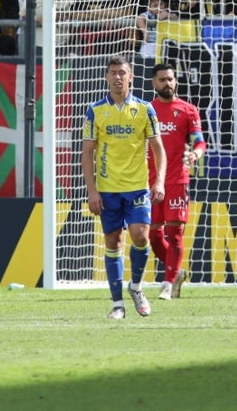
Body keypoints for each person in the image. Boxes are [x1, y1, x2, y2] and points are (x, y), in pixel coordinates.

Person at [82, 55, 165, 320]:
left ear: (131, 77)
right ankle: (117, 304)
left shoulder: (144, 110)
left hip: (138, 187)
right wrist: (92, 191)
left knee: (141, 236)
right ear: (107, 77)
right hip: (108, 189)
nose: (118, 77)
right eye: (113, 73)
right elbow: (87, 153)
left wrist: (159, 180)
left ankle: (136, 287)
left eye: (122, 73)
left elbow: (158, 149)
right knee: (113, 241)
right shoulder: (95, 111)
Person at [145, 62, 205, 301]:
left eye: (170, 79)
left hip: (178, 180)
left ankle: (167, 284)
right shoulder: (147, 110)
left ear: (175, 81)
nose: (167, 83)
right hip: (151, 181)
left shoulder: (188, 110)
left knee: (175, 233)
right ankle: (177, 271)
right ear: (154, 83)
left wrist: (195, 154)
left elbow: (199, 141)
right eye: (162, 80)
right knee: (153, 236)